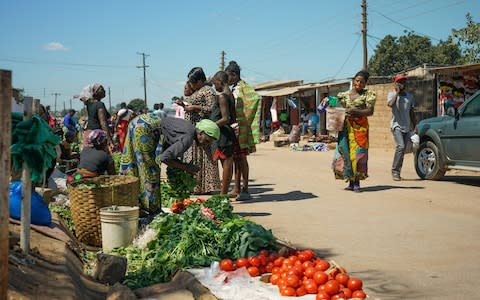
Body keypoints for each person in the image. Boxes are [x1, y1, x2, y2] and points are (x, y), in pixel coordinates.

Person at [120, 114, 219, 213]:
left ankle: (128, 203)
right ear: (201, 132)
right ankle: (150, 210)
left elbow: (168, 149)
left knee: (132, 162)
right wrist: (186, 167)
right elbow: (164, 158)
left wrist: (180, 164)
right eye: (206, 141)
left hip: (138, 122)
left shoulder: (189, 128)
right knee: (150, 171)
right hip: (145, 128)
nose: (204, 144)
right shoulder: (188, 138)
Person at [332, 70, 376, 192]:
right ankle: (350, 182)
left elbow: (370, 111)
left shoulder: (368, 95)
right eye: (357, 81)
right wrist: (327, 102)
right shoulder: (344, 95)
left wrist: (356, 112)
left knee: (358, 155)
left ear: (365, 84)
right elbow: (336, 106)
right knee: (345, 153)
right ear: (353, 81)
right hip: (345, 128)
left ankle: (357, 182)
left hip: (360, 129)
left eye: (362, 82)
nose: (359, 83)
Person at [225, 61, 261, 201]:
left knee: (242, 159)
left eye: (228, 76)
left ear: (234, 75)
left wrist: (243, 120)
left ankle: (245, 189)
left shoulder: (243, 88)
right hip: (234, 128)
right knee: (236, 159)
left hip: (240, 129)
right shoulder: (234, 88)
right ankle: (237, 188)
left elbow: (255, 99)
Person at [181, 67, 221, 195]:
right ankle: (196, 187)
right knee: (195, 158)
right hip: (193, 130)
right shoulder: (199, 91)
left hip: (201, 131)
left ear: (199, 80)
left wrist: (194, 107)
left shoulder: (208, 91)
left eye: (193, 82)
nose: (191, 85)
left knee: (204, 158)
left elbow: (212, 108)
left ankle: (207, 186)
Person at [211, 71, 237, 196]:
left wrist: (210, 126)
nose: (214, 86)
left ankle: (223, 194)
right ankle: (224, 193)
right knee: (227, 163)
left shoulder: (222, 96)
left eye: (215, 83)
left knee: (226, 163)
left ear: (220, 82)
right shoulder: (230, 94)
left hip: (223, 134)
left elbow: (226, 118)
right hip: (226, 133)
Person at [387, 74, 416, 181]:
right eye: (399, 81)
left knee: (403, 150)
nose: (402, 83)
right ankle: (394, 171)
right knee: (401, 146)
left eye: (403, 82)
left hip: (407, 126)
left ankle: (397, 172)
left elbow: (411, 112)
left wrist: (415, 125)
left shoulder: (410, 96)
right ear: (395, 83)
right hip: (396, 126)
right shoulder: (392, 94)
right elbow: (390, 104)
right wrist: (397, 94)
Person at [79, 84, 113, 148]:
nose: (104, 91)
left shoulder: (89, 104)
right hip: (97, 135)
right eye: (101, 89)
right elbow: (103, 122)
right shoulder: (100, 104)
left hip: (88, 133)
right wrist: (109, 139)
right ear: (96, 92)